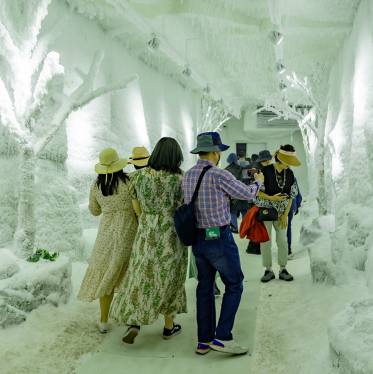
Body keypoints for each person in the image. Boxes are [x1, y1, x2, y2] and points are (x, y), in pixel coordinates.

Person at [182, 132, 264, 356]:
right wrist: (258, 183)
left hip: (197, 240)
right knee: (234, 283)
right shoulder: (219, 175)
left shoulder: (188, 175)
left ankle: (204, 341)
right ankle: (223, 336)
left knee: (204, 288)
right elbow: (247, 193)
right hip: (218, 237)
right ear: (216, 153)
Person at [110, 137, 188, 344]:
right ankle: (169, 328)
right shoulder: (181, 178)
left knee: (141, 276)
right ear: (177, 156)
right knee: (171, 279)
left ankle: (134, 322)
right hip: (172, 234)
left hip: (147, 233)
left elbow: (137, 210)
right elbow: (184, 205)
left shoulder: (138, 177)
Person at [77, 148, 138, 333]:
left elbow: (94, 211)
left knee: (106, 273)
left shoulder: (96, 185)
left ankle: (103, 321)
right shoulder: (130, 180)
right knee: (130, 272)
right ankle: (132, 319)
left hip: (107, 233)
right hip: (130, 230)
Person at [254, 145, 302, 282]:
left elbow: (292, 194)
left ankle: (283, 268)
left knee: (282, 240)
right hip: (266, 211)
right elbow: (257, 191)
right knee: (265, 241)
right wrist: (272, 198)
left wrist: (285, 214)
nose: (289, 165)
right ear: (281, 159)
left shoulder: (290, 173)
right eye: (288, 161)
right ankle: (268, 270)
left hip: (282, 212)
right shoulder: (266, 170)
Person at [245, 150, 273, 255]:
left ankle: (254, 247)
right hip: (256, 201)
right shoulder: (258, 170)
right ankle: (253, 248)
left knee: (257, 224)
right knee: (257, 224)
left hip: (252, 200)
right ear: (267, 160)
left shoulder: (257, 168)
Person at [224, 153, 250, 234]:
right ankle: (245, 229)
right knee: (244, 211)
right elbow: (247, 182)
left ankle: (234, 228)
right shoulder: (243, 169)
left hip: (232, 195)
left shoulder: (225, 171)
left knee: (233, 212)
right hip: (242, 194)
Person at [286, 178, 303, 259]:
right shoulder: (292, 177)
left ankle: (282, 249)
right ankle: (288, 250)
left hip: (279, 205)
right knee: (288, 226)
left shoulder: (275, 175)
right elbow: (297, 192)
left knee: (280, 228)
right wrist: (297, 205)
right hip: (291, 205)